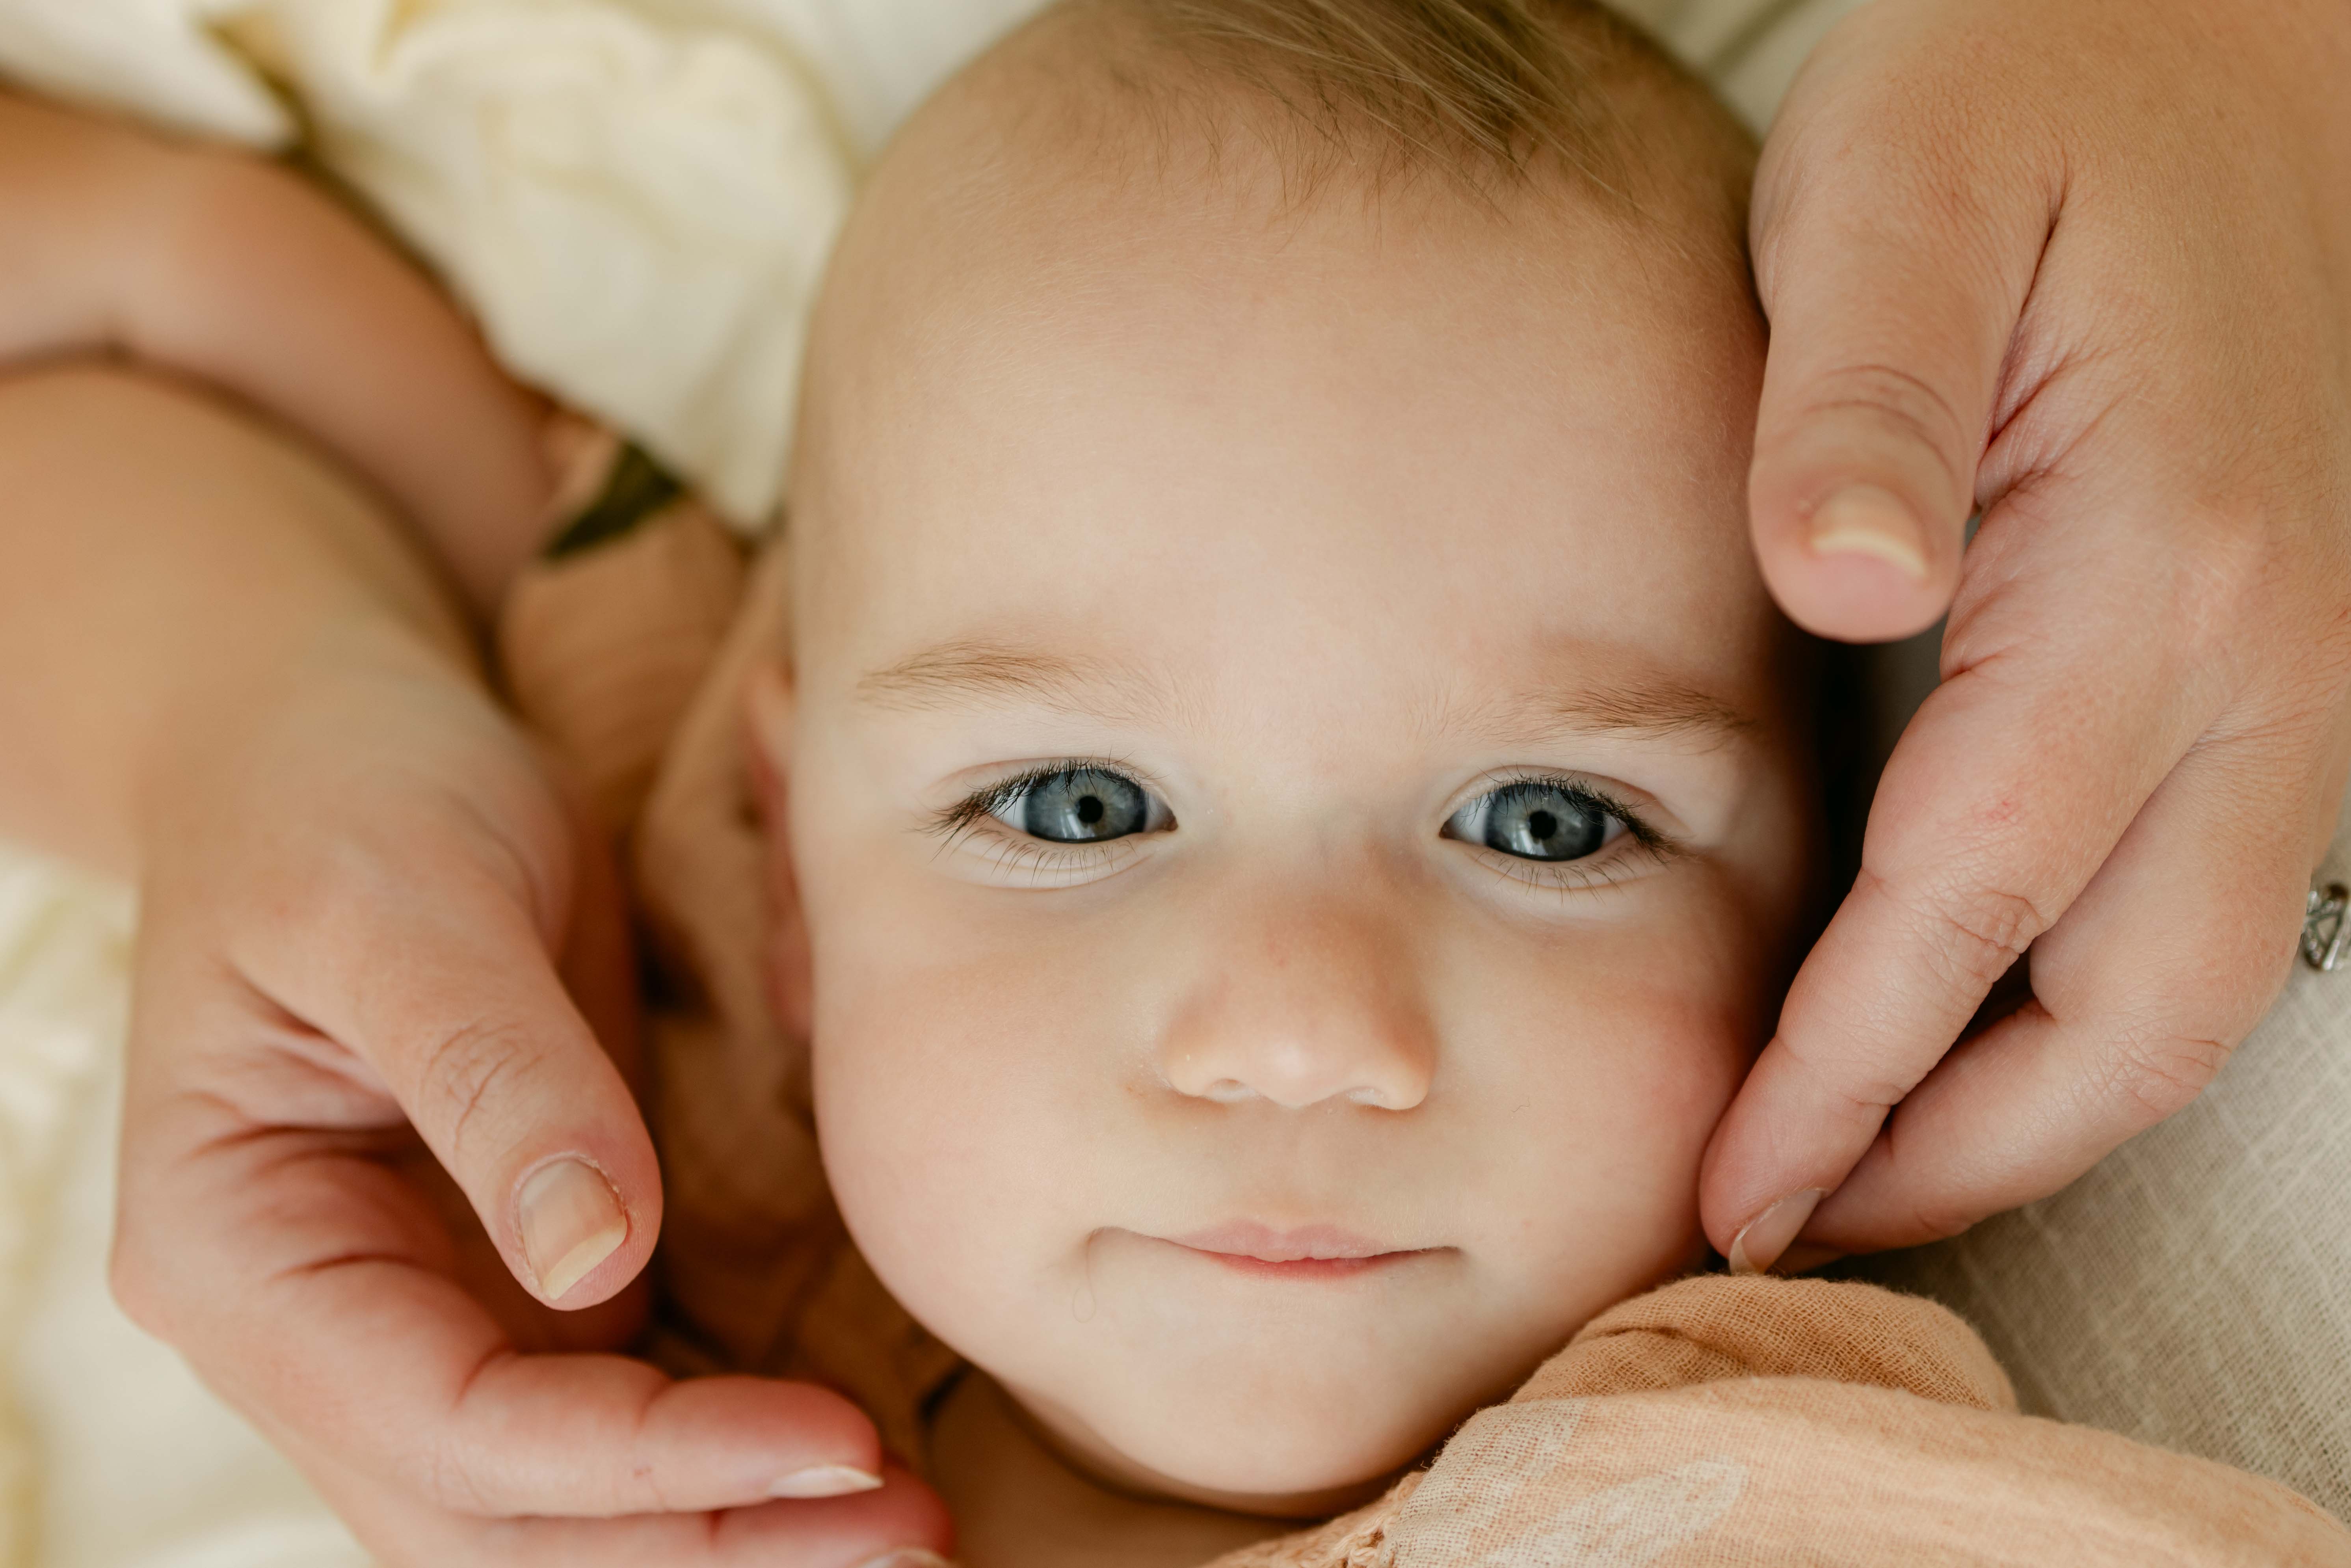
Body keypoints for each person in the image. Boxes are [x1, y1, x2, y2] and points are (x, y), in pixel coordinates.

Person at [0, 0, 2344, 1562]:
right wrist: (270, 722)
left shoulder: (1801, 1486)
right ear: (784, 876)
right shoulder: (655, 1048)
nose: (1299, 1027)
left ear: (1842, 902)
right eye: (1076, 809)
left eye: (1546, 823)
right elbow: (109, 348)